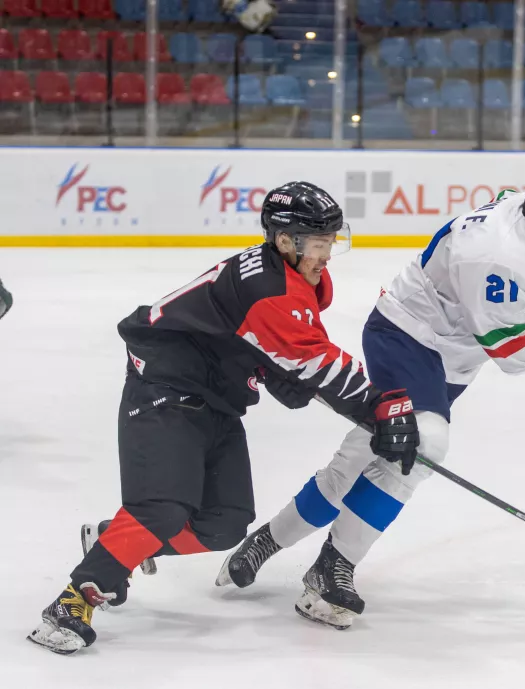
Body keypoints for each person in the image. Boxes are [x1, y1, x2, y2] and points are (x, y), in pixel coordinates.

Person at [215, 141, 525, 630]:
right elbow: (514, 351)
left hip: (453, 357)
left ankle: (268, 540)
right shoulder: (494, 253)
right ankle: (330, 570)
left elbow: (511, 274)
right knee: (422, 445)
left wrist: (524, 303)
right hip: (407, 335)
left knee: (363, 454)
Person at [27, 182, 420, 655]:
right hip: (164, 390)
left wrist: (275, 369)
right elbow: (316, 361)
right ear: (285, 240)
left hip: (215, 398)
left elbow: (286, 348)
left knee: (224, 524)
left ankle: (115, 541)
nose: (327, 254)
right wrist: (380, 406)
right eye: (319, 244)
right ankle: (72, 602)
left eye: (332, 241)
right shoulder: (269, 289)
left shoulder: (293, 278)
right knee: (162, 508)